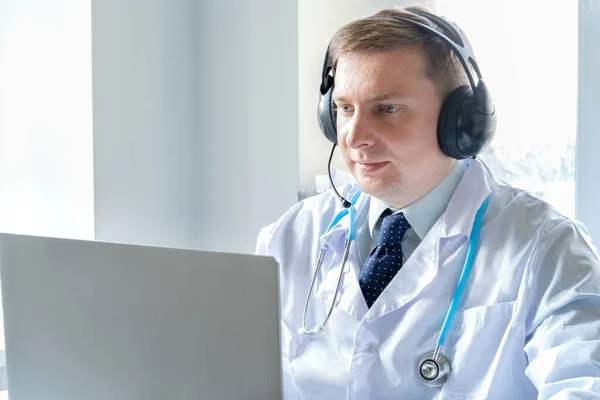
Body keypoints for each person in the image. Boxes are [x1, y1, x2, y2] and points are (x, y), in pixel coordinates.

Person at [255, 6, 600, 399]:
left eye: (387, 109)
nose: (353, 137)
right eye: (345, 109)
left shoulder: (548, 249)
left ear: (461, 123)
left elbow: (583, 383)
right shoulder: (289, 237)